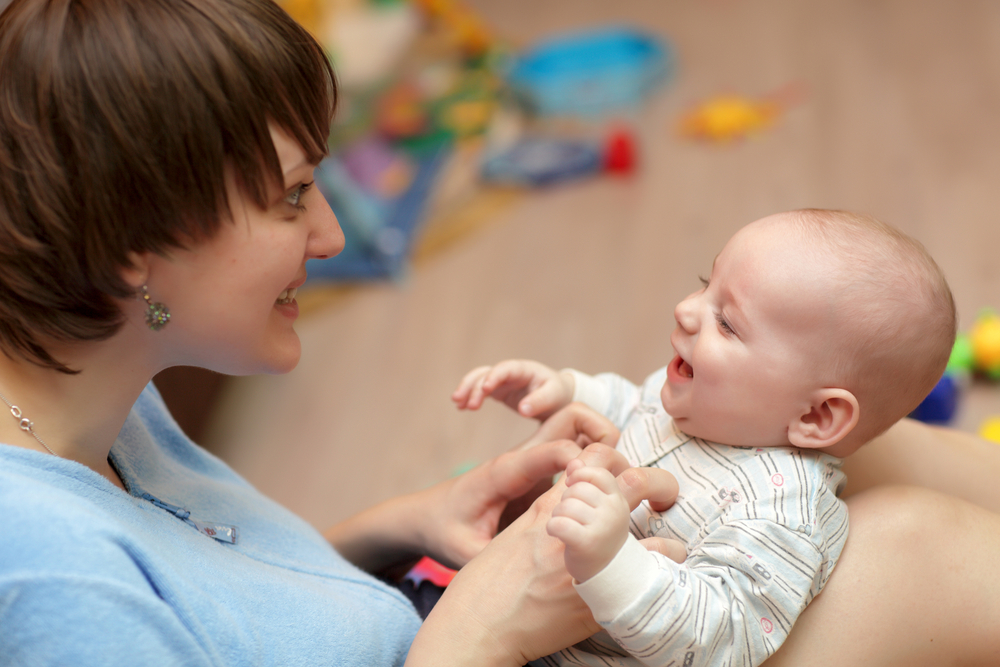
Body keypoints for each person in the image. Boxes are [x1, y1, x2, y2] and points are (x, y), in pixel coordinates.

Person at [0, 1, 685, 665]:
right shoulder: (54, 580)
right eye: (292, 196)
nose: (329, 235)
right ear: (130, 244)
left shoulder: (90, 384)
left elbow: (231, 624)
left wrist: (408, 521)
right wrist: (484, 630)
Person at [452, 209, 957, 666]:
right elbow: (632, 405)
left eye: (727, 323)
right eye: (704, 284)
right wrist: (564, 389)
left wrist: (611, 563)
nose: (686, 310)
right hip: (508, 600)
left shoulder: (779, 513)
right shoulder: (703, 401)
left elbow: (718, 637)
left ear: (818, 414)